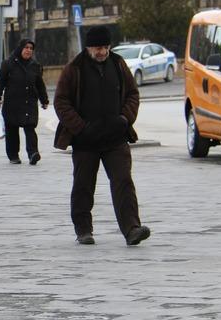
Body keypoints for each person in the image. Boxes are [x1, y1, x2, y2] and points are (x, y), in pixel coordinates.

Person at [54, 25, 151, 246]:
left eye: (105, 47)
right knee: (83, 186)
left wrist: (125, 119)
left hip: (115, 138)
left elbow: (133, 95)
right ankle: (83, 230)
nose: (102, 52)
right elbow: (61, 102)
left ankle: (132, 229)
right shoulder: (74, 69)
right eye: (98, 48)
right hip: (85, 141)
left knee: (123, 182)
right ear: (89, 47)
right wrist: (80, 127)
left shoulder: (118, 64)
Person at [0, 39, 49, 165]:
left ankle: (33, 153)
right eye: (26, 47)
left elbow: (40, 84)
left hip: (29, 103)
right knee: (12, 129)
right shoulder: (8, 64)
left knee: (30, 128)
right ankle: (13, 155)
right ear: (20, 49)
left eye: (31, 48)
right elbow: (0, 82)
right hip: (12, 103)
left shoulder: (35, 66)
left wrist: (44, 99)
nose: (29, 50)